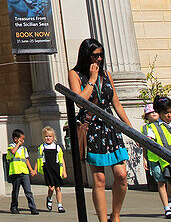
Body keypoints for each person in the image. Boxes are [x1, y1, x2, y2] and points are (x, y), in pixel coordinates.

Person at [67, 37, 132, 222]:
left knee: (121, 175)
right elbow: (80, 101)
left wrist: (129, 127)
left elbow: (116, 103)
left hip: (110, 126)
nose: (99, 59)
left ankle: (115, 215)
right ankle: (103, 220)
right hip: (92, 127)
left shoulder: (107, 75)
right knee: (100, 179)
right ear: (86, 55)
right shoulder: (75, 74)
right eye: (95, 55)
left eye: (101, 55)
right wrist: (92, 79)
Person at [141, 104, 171, 218]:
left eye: (155, 112)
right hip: (154, 158)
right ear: (146, 116)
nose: (153, 114)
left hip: (166, 157)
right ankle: (166, 207)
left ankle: (170, 200)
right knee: (161, 182)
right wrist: (144, 158)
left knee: (170, 182)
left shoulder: (164, 125)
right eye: (150, 112)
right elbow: (144, 145)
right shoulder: (144, 128)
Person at [7, 129, 38, 214]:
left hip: (24, 172)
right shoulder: (11, 146)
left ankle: (32, 207)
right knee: (15, 191)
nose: (23, 141)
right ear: (16, 139)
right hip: (15, 172)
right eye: (21, 140)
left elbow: (26, 160)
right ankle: (14, 207)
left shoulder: (24, 149)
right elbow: (13, 151)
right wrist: (17, 144)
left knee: (28, 191)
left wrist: (31, 169)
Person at [37, 126, 66, 213]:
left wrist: (64, 171)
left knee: (58, 188)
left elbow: (61, 160)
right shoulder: (42, 147)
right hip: (47, 168)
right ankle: (49, 198)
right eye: (46, 136)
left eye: (50, 136)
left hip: (56, 168)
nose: (48, 138)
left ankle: (60, 205)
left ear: (53, 137)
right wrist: (36, 169)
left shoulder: (57, 147)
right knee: (51, 188)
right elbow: (38, 159)